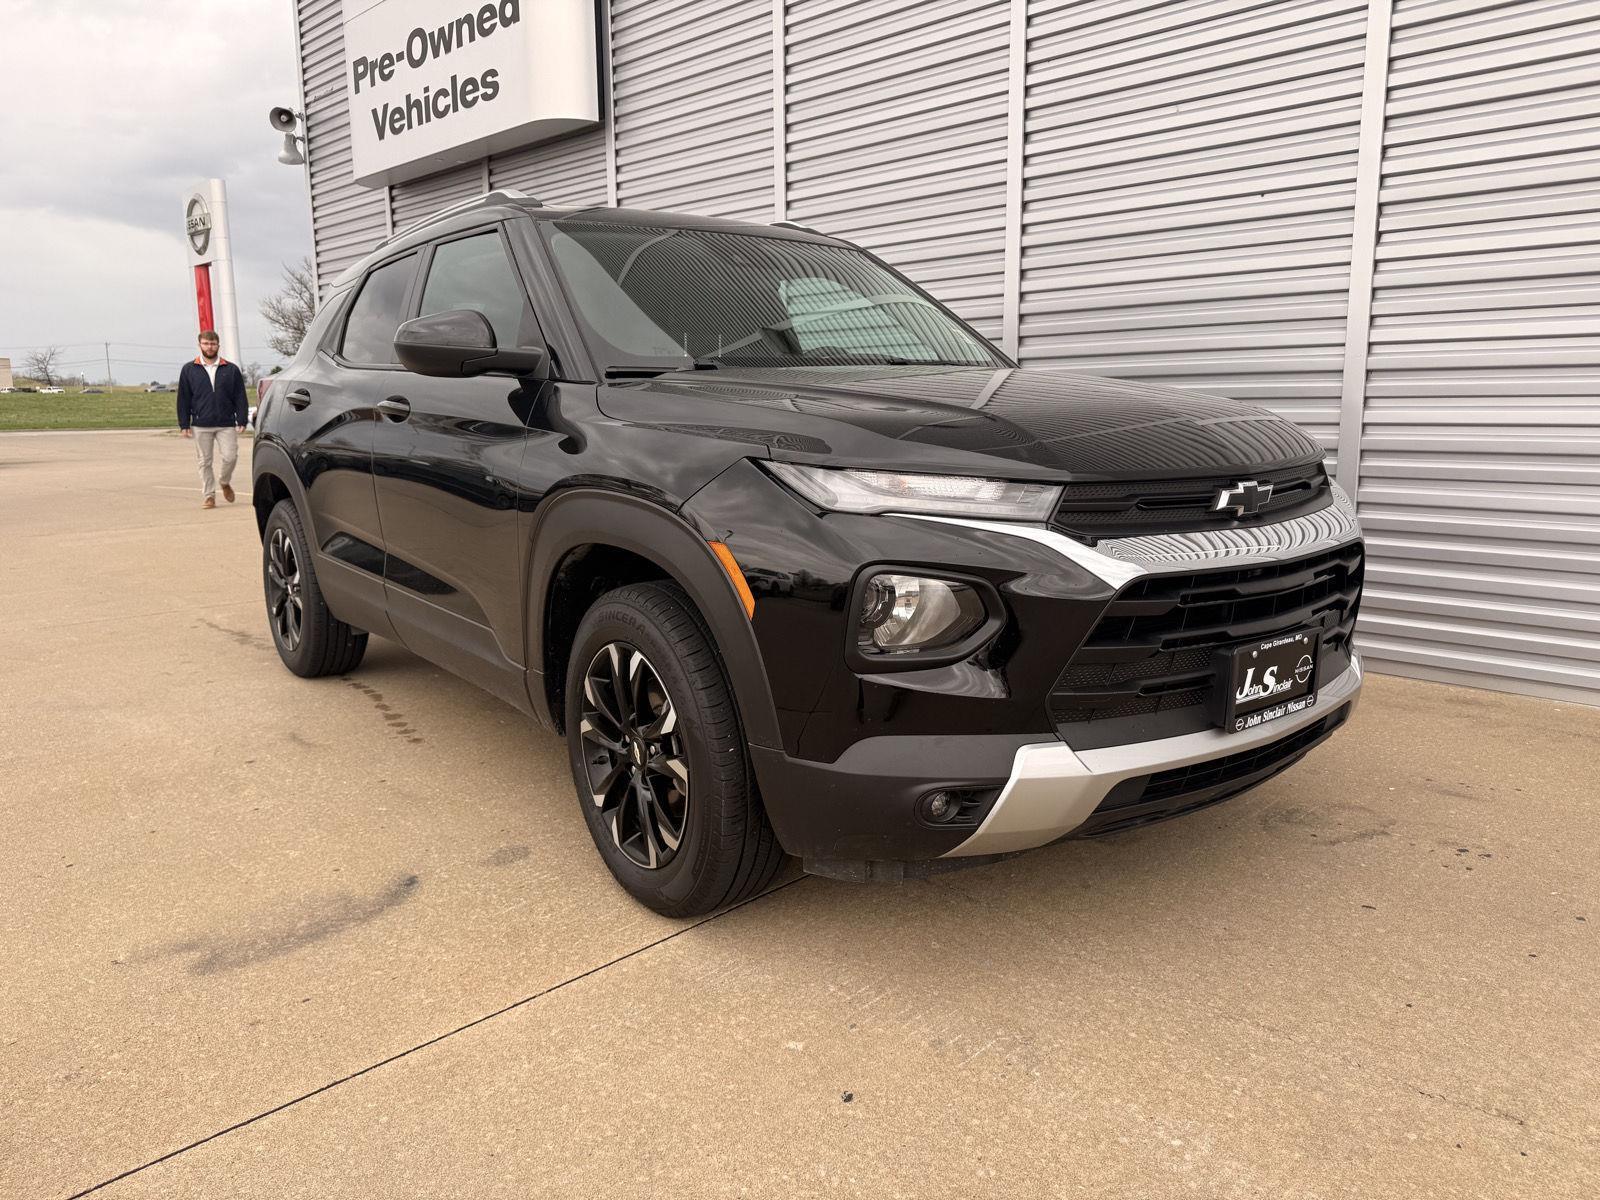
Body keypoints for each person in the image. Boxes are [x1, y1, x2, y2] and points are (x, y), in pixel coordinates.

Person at [176, 330, 249, 509]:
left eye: (213, 344)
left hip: (226, 423)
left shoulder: (231, 369)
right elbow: (183, 398)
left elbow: (240, 396)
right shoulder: (189, 369)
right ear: (200, 345)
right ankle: (209, 496)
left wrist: (242, 419)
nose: (210, 347)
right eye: (206, 344)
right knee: (204, 461)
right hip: (201, 423)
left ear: (218, 345)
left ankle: (224, 481)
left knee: (230, 457)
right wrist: (184, 423)